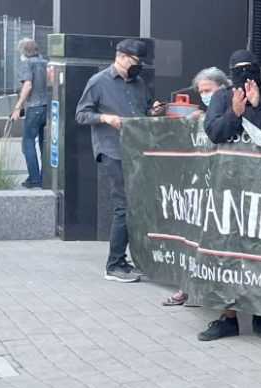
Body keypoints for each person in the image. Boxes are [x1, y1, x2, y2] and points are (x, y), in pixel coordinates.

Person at [197, 49, 261, 341]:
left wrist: (256, 107)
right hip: (228, 188)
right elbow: (214, 131)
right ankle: (227, 316)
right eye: (239, 71)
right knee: (226, 251)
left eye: (250, 70)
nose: (246, 76)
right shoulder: (221, 97)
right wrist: (235, 112)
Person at [76, 39, 164, 283]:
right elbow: (81, 114)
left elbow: (144, 111)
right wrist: (105, 118)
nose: (139, 67)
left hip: (137, 151)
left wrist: (153, 111)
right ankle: (114, 263)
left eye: (142, 63)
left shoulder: (139, 83)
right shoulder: (99, 82)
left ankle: (125, 260)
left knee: (135, 205)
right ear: (122, 57)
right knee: (123, 205)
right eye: (136, 62)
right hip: (112, 150)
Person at [163, 66, 232, 307]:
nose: (204, 95)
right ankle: (187, 288)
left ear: (223, 88)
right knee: (193, 238)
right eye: (201, 91)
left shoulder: (234, 112)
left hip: (226, 191)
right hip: (201, 189)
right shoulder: (203, 116)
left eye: (208, 90)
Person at [10, 38, 47, 189]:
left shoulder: (27, 64)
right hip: (48, 108)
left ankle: (35, 177)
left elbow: (28, 85)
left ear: (24, 51)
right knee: (44, 143)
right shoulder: (46, 63)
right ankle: (46, 176)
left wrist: (17, 107)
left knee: (28, 142)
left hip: (35, 107)